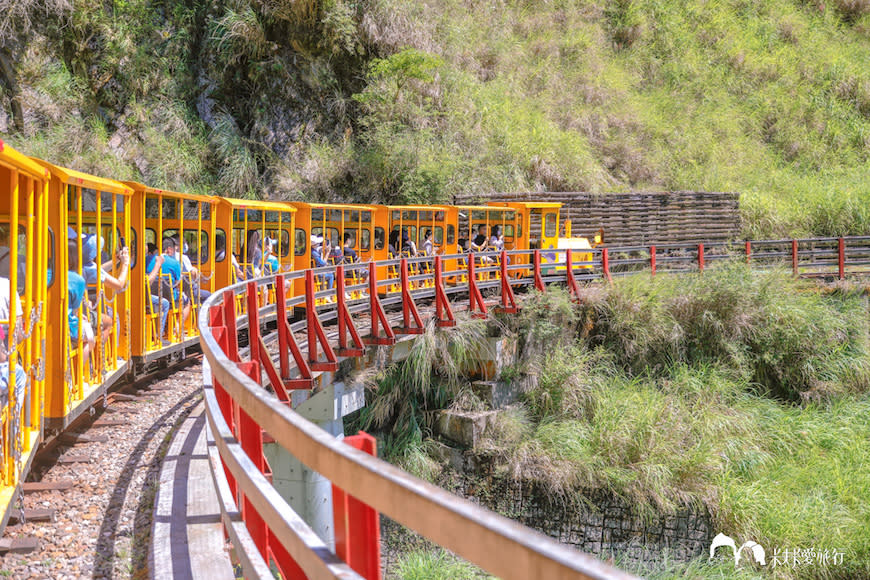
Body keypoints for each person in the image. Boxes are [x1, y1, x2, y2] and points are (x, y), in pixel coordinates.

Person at [82, 234, 130, 340]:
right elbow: (119, 284)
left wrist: (116, 260)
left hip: (79, 307)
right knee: (113, 316)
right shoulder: (91, 269)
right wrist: (125, 264)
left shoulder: (77, 264)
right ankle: (106, 353)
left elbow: (100, 271)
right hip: (85, 311)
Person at [67, 238, 94, 379]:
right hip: (67, 325)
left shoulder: (45, 274)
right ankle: (77, 375)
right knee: (88, 339)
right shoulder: (77, 280)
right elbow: (76, 308)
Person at [161, 237, 191, 330]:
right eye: (174, 250)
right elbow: (179, 282)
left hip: (151, 296)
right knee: (187, 301)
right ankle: (177, 325)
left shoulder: (150, 260)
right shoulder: (174, 263)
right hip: (170, 296)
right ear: (169, 250)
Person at [145, 243, 170, 343]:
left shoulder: (140, 261)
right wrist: (158, 264)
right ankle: (158, 335)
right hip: (141, 297)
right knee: (165, 303)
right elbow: (147, 283)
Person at [177, 238, 211, 303]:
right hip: (188, 289)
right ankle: (200, 312)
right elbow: (192, 273)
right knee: (209, 296)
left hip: (178, 288)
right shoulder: (182, 257)